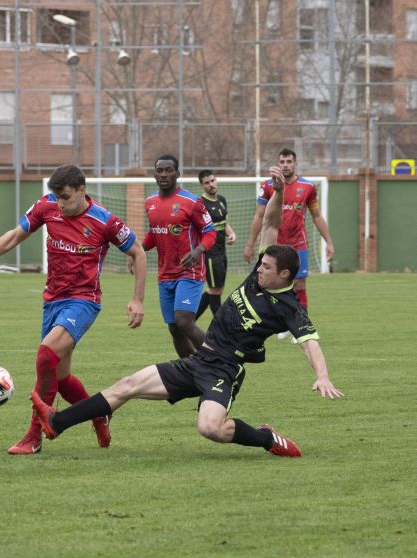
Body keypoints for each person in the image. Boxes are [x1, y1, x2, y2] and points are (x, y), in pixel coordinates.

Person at [30, 164, 344, 458]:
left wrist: (323, 376)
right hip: (200, 359)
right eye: (261, 264)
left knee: (210, 428)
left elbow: (309, 343)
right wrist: (277, 192)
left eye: (267, 267)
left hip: (225, 371)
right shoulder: (258, 277)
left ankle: (265, 437)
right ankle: (57, 423)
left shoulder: (289, 307)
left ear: (285, 275)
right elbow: (272, 223)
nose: (259, 269)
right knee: (127, 386)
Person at [0, 164, 147, 455]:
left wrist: (137, 299)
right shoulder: (46, 207)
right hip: (52, 301)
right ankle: (99, 413)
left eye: (66, 196)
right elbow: (14, 235)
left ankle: (34, 436)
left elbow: (138, 251)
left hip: (84, 301)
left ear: (82, 190)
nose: (61, 203)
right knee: (59, 379)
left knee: (45, 355)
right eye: (57, 197)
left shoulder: (105, 221)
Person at [243, 148, 334, 340]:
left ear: (295, 163)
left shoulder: (307, 187)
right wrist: (250, 244)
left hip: (298, 244)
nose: (285, 165)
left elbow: (316, 216)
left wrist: (328, 241)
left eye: (289, 161)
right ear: (278, 164)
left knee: (299, 284)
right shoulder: (268, 186)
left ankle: (301, 323)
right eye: (282, 162)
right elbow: (259, 216)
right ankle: (283, 323)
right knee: (273, 285)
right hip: (274, 246)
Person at [134, 154, 216, 358]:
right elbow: (155, 232)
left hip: (190, 271)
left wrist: (198, 251)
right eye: (159, 171)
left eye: (168, 170)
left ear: (177, 174)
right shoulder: (150, 202)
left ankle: (219, 361)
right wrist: (138, 251)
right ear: (154, 174)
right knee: (174, 328)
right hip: (165, 275)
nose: (163, 174)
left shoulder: (191, 202)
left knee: (184, 321)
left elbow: (210, 232)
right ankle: (190, 372)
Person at [195, 170, 236, 320]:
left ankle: (187, 324)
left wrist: (231, 234)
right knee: (215, 290)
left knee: (216, 290)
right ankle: (221, 328)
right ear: (202, 185)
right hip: (210, 254)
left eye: (212, 181)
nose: (211, 185)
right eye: (207, 183)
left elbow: (224, 224)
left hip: (222, 251)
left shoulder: (222, 200)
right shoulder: (200, 205)